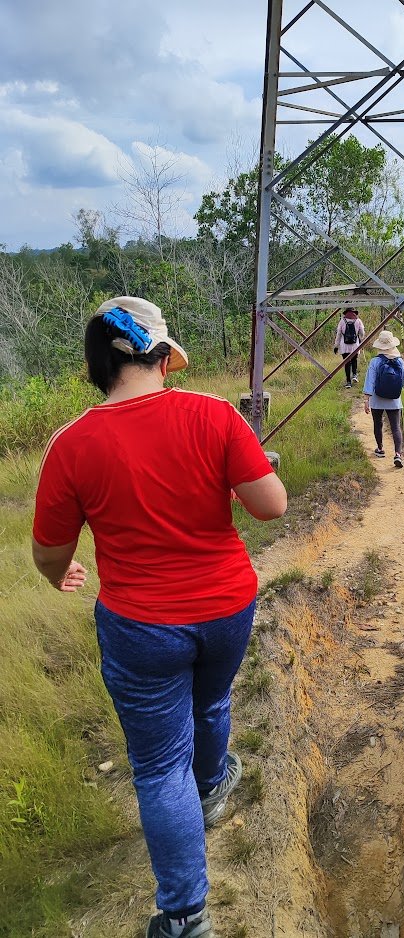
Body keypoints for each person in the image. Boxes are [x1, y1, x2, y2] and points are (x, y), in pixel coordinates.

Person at [31, 297, 287, 938]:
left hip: (139, 623)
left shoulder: (72, 444)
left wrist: (59, 574)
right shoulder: (217, 416)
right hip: (227, 606)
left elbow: (50, 551)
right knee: (211, 703)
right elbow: (272, 507)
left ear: (98, 367)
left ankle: (184, 917)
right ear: (164, 356)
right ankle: (212, 788)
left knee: (156, 765)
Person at [363, 329, 404, 468]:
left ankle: (380, 449)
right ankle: (397, 454)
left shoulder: (375, 362)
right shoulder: (400, 361)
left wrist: (367, 400)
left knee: (378, 424)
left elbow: (369, 381)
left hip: (377, 399)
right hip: (394, 400)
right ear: (393, 345)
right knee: (395, 427)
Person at [333, 307, 365, 387]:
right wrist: (360, 338)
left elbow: (339, 334)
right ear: (354, 312)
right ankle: (354, 375)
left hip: (344, 345)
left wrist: (336, 346)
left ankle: (348, 382)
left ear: (346, 312)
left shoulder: (342, 321)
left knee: (346, 362)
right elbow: (362, 333)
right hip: (355, 345)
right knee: (354, 359)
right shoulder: (358, 321)